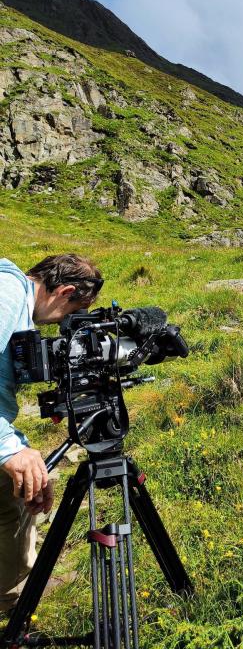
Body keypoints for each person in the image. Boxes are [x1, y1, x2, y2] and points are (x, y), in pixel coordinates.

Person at [0, 253, 103, 614]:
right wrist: (8, 448)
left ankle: (9, 602)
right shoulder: (7, 295)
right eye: (72, 312)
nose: (63, 323)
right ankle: (10, 604)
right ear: (65, 292)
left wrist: (19, 450)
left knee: (14, 500)